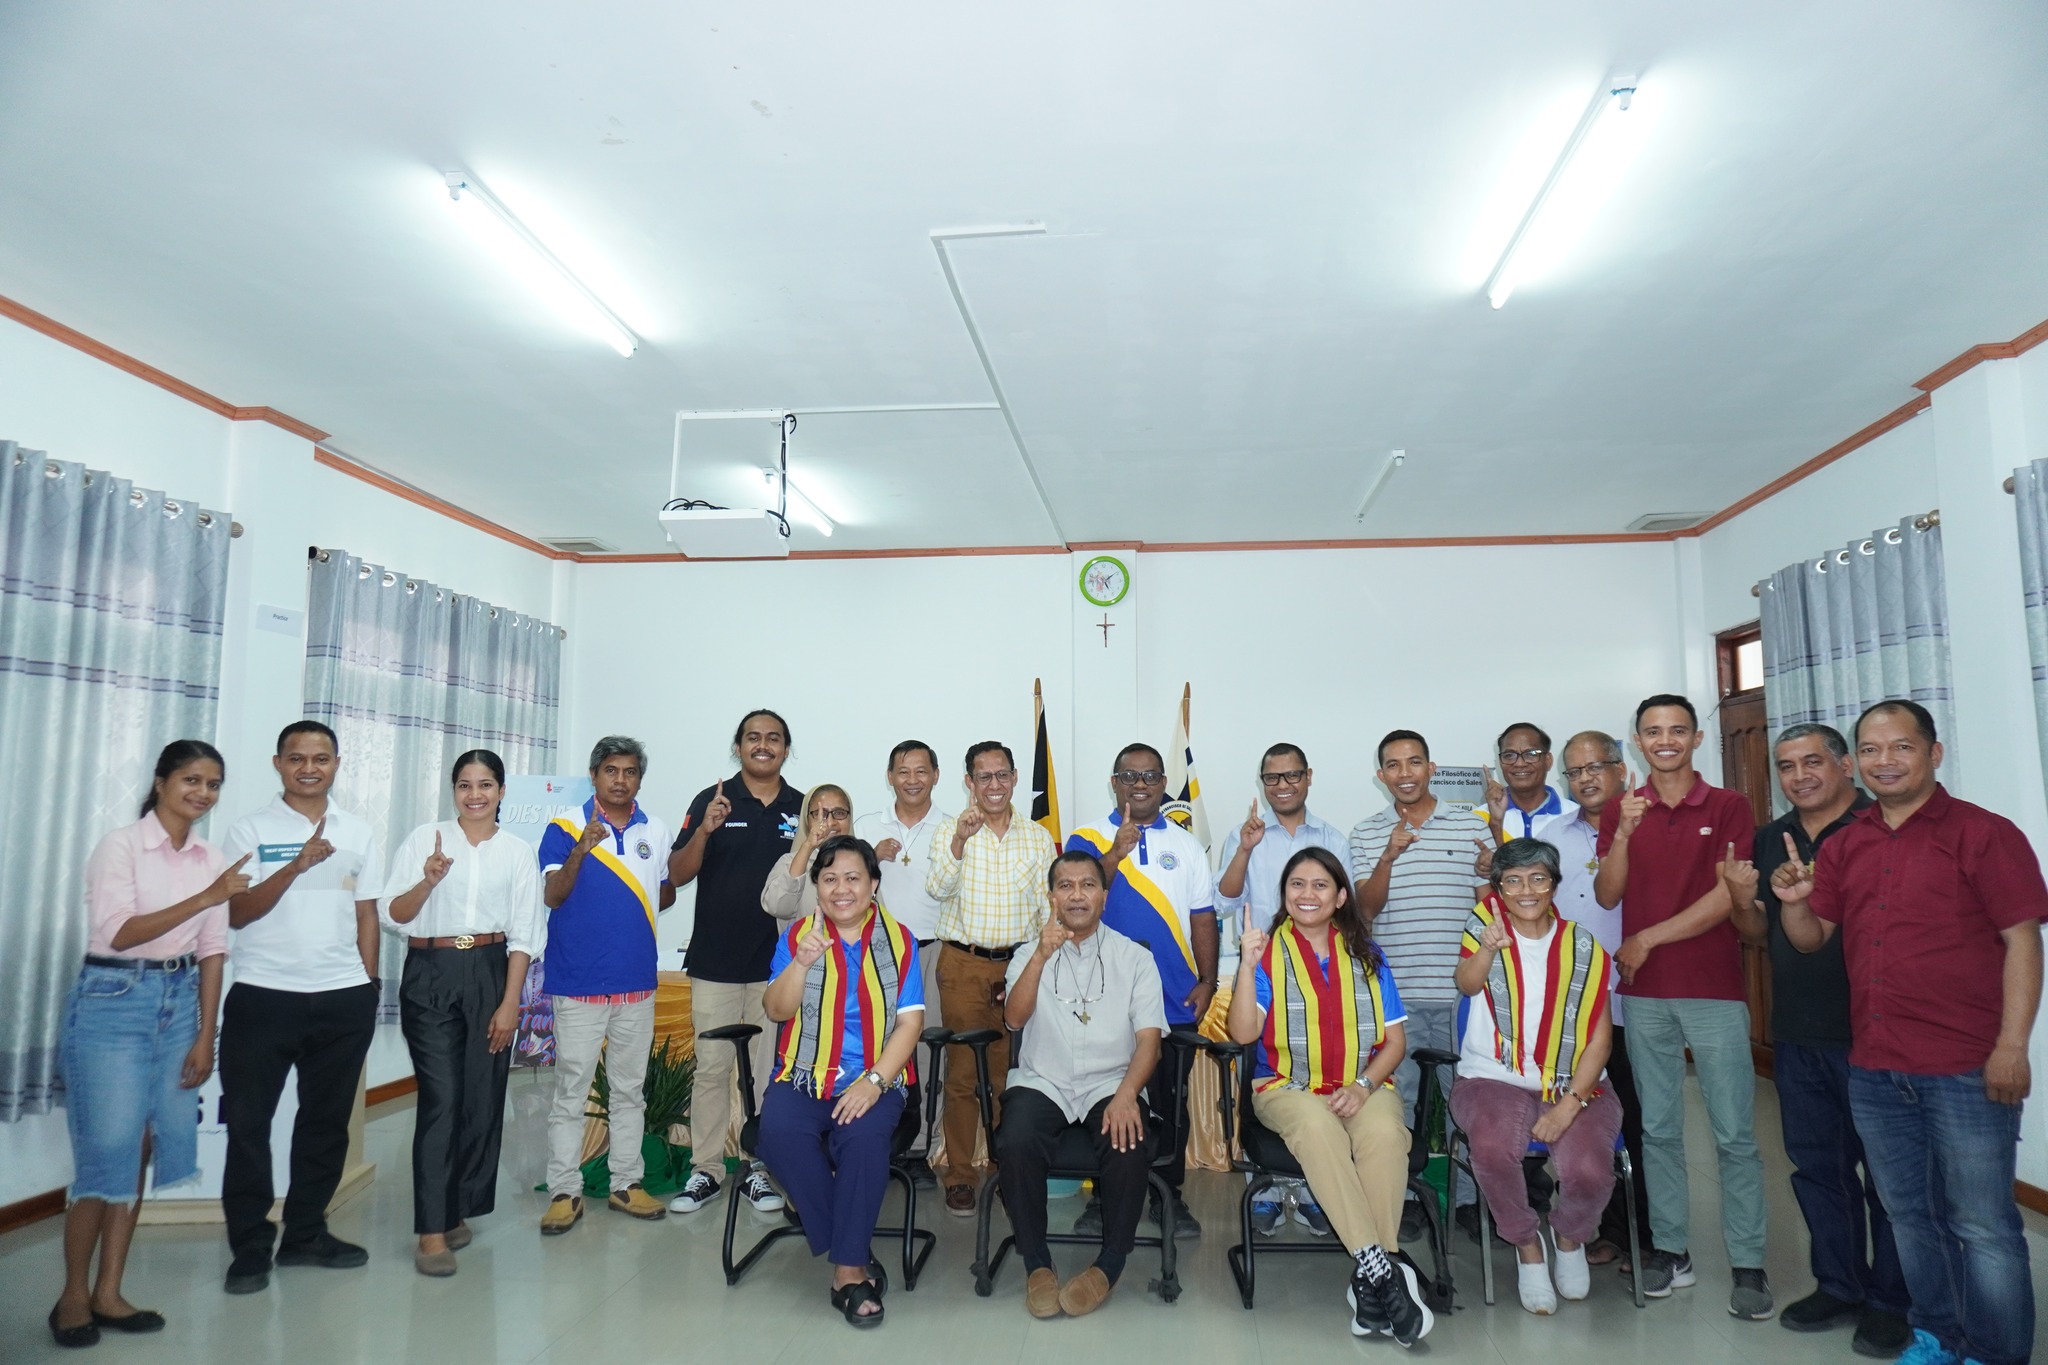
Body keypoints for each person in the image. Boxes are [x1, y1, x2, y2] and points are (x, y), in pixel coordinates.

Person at [1772, 700, 2046, 1365]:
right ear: (1856, 761)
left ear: (1933, 753)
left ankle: (1996, 1352)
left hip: (1965, 1067)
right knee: (1912, 1217)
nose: (1884, 761)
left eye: (1901, 747)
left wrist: (2012, 1047)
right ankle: (1938, 1337)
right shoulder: (1848, 843)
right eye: (1871, 749)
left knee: (1982, 1224)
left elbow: (2023, 942)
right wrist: (1796, 902)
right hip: (1875, 1067)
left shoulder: (1985, 833)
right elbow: (1811, 940)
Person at [50, 741, 247, 1348]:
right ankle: (72, 1296)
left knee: (138, 1148)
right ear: (161, 782)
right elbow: (120, 931)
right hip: (113, 999)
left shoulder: (211, 858)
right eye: (191, 780)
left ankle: (109, 1291)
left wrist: (205, 1034)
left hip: (178, 1003)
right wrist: (208, 896)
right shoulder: (122, 846)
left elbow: (213, 950)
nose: (202, 793)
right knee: (106, 1151)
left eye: (213, 784)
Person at [1726, 723, 1909, 1355]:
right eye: (1786, 766)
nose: (1799, 776)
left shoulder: (1878, 828)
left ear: (1845, 766)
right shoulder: (1770, 837)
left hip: (1873, 1033)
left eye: (1812, 762)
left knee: (1888, 1176)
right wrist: (1741, 900)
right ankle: (1839, 1284)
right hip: (1798, 1031)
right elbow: (1757, 934)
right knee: (1818, 1169)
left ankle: (1892, 1300)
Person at [1593, 694, 1770, 1316]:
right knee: (1659, 1130)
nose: (1664, 740)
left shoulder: (1728, 805)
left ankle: (1749, 1263)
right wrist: (1623, 833)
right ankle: (1670, 1250)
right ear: (1638, 742)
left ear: (1695, 738)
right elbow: (1608, 893)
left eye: (1676, 730)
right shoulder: (1621, 808)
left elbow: (1728, 896)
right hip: (1644, 996)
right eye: (1652, 731)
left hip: (1713, 989)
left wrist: (1647, 938)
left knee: (1735, 1134)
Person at [1227, 846, 1432, 1346]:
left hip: (1363, 1083)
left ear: (1341, 896)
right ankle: (1382, 1264)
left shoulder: (1369, 955)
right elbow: (1243, 1033)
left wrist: (1362, 1087)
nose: (1308, 894)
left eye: (1320, 885)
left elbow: (1395, 1042)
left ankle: (1370, 1281)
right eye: (1296, 884)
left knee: (1386, 1134)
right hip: (1285, 1086)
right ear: (1284, 894)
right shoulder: (1266, 953)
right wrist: (1245, 967)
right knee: (1318, 1128)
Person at [216, 721, 382, 1295]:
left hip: (343, 998)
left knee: (326, 1125)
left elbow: (366, 913)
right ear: (278, 763)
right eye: (296, 758)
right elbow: (236, 913)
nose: (309, 768)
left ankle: (306, 1233)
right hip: (263, 995)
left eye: (321, 758)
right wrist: (295, 865)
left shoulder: (358, 831)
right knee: (248, 1126)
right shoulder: (249, 829)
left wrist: (368, 984)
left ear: (336, 763)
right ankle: (249, 1247)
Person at [382, 750, 544, 1274]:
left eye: (486, 785)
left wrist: (510, 1003)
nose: (475, 795)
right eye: (465, 785)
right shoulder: (424, 840)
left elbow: (524, 933)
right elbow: (394, 913)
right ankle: (431, 1231)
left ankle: (455, 1207)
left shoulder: (517, 852)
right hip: (430, 972)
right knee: (441, 1098)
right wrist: (427, 880)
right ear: (453, 790)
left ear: (501, 791)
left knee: (480, 1097)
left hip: (492, 974)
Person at [757, 836, 925, 1329]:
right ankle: (851, 1240)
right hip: (805, 1074)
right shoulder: (798, 936)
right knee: (777, 1133)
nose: (842, 889)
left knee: (864, 1138)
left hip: (876, 1077)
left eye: (853, 878)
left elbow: (910, 1023)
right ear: (817, 887)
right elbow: (775, 1010)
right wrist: (801, 963)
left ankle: (848, 1272)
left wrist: (873, 1081)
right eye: (829, 879)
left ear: (873, 884)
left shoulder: (901, 941)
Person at [1452, 839, 1621, 1316]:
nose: (1526, 890)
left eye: (1537, 879)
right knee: (1491, 1150)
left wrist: (1569, 1105)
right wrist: (1487, 950)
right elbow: (1466, 983)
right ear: (1499, 889)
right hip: (1492, 1077)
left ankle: (1569, 1238)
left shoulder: (1583, 946)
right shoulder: (1484, 928)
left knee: (1590, 1170)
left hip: (1575, 1081)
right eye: (1513, 881)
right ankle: (1527, 1245)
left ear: (1554, 885)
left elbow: (1600, 1039)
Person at [998, 850, 1165, 1319]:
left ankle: (1110, 1263)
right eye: (1065, 886)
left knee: (1127, 1139)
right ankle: (1037, 1262)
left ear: (1104, 896)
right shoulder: (1028, 953)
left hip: (1112, 1080)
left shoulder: (1135, 958)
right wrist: (1040, 957)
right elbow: (1013, 1019)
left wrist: (1128, 1095)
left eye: (1088, 885)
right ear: (1052, 896)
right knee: (1015, 1138)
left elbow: (1149, 1042)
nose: (1077, 895)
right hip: (1044, 1079)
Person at [1068, 742, 1217, 1239]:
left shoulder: (1188, 845)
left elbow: (1203, 917)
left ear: (1163, 784)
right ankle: (1103, 1196)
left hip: (1174, 998)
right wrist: (1115, 852)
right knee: (1105, 1096)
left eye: (1150, 776)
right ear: (1114, 783)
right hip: (1102, 996)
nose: (1140, 784)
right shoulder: (1087, 837)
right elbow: (1076, 899)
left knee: (1170, 1103)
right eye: (1129, 776)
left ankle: (1167, 1195)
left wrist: (1208, 980)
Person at [1347, 728, 1489, 1234]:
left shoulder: (1471, 826)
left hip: (1463, 995)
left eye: (1413, 762)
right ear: (1380, 775)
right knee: (1397, 1102)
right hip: (1396, 998)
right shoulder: (1366, 833)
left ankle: (1468, 1202)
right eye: (1393, 764)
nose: (1404, 773)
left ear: (1431, 768)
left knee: (1464, 1101)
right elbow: (1365, 911)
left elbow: (1490, 908)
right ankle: (1402, 1197)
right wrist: (1388, 856)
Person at [538, 736, 676, 1232]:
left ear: (640, 778)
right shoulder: (563, 826)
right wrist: (582, 849)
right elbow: (553, 895)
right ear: (594, 775)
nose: (621, 780)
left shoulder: (655, 829)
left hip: (636, 982)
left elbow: (665, 891)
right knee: (570, 1092)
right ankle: (564, 1189)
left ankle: (626, 1183)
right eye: (611, 770)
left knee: (630, 1091)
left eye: (630, 771)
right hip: (578, 984)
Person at [669, 709, 802, 1217]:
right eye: (753, 737)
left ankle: (759, 1167)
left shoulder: (802, 806)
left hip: (780, 968)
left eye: (773, 738)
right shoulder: (713, 799)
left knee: (769, 1073)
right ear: (739, 746)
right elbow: (677, 874)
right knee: (712, 1069)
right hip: (716, 961)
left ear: (786, 748)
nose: (762, 745)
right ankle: (705, 1169)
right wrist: (705, 830)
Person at [1212, 742, 1348, 1236]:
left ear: (1308, 777)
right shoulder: (1245, 834)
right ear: (1262, 783)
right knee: (1266, 1078)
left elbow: (1346, 905)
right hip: (1264, 973)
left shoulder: (1332, 837)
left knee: (1317, 1077)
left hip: (1322, 973)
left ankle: (1313, 1191)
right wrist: (1245, 849)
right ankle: (1267, 1190)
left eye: (1292, 775)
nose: (1283, 785)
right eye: (1273, 778)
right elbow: (1224, 902)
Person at [925, 740, 1059, 1216]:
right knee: (964, 1073)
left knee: (1009, 1075)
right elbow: (937, 888)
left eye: (1002, 775)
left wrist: (1044, 961)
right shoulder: (950, 831)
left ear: (1015, 777)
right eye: (984, 776)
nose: (994, 785)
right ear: (969, 782)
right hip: (963, 965)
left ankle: (1007, 1170)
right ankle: (961, 1175)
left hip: (1018, 967)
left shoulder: (1037, 838)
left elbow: (1047, 908)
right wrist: (960, 842)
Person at [1544, 731, 1652, 1267]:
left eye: (1595, 766)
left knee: (1641, 1120)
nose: (1585, 778)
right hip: (1574, 1010)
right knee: (1589, 1120)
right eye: (1574, 771)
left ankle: (1646, 1235)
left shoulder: (1649, 824)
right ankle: (1599, 1227)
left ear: (1620, 769)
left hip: (1639, 998)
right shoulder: (1552, 836)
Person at [854, 742, 947, 1178]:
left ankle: (921, 1148)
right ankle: (872, 1140)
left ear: (936, 776)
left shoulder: (951, 829)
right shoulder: (866, 825)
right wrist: (871, 856)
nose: (912, 780)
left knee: (927, 1050)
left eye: (921, 771)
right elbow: (848, 881)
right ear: (890, 776)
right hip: (875, 956)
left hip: (932, 952)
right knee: (873, 1047)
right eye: (903, 771)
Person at [761, 783, 856, 923]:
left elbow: (877, 918)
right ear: (807, 820)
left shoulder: (861, 864)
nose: (831, 822)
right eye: (820, 815)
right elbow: (778, 908)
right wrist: (808, 846)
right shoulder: (789, 863)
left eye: (839, 813)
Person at [1485, 723, 1578, 843]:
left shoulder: (1576, 816)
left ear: (1548, 761)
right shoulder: (1481, 817)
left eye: (1531, 754)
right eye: (1509, 755)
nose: (1519, 764)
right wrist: (1495, 824)